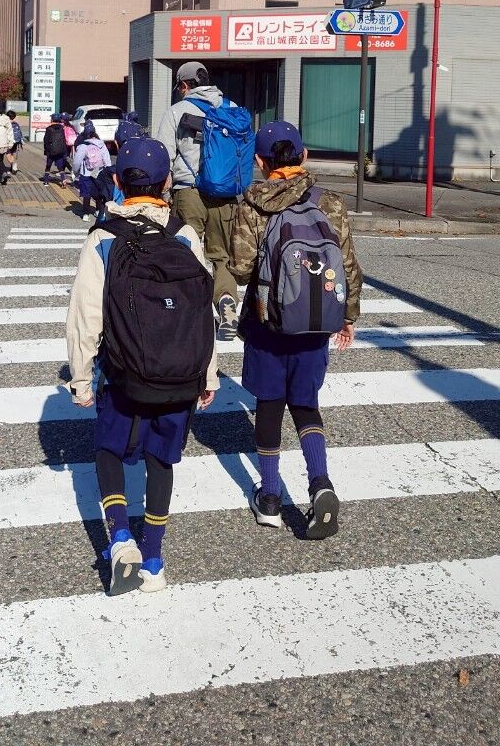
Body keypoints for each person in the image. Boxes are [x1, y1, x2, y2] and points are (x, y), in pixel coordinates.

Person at [66, 136, 218, 595]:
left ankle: (120, 539)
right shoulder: (185, 236)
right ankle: (153, 558)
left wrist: (81, 378)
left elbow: (85, 317)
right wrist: (207, 375)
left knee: (109, 451)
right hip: (180, 375)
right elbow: (203, 313)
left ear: (117, 181)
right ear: (167, 182)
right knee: (161, 460)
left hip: (124, 374)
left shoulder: (103, 238)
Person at [230, 121, 362, 539]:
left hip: (267, 324)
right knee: (306, 404)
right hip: (315, 323)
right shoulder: (330, 202)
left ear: (260, 161)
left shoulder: (252, 204)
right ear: (303, 156)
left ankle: (269, 498)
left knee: (269, 405)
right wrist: (348, 316)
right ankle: (320, 484)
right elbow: (348, 265)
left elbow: (241, 268)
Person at [156, 60, 242, 340]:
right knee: (222, 255)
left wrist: (163, 195)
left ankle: (190, 312)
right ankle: (227, 302)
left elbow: (163, 157)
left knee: (186, 254)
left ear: (184, 85)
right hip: (225, 195)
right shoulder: (231, 108)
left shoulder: (177, 111)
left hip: (189, 192)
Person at [72, 122, 111, 220]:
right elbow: (107, 160)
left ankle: (85, 214)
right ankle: (98, 211)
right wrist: (108, 172)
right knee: (98, 191)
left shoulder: (83, 146)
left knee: (86, 193)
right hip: (98, 171)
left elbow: (77, 162)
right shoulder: (101, 144)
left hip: (86, 172)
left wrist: (76, 172)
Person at [43, 113, 70, 186]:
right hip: (60, 150)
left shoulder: (49, 129)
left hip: (51, 150)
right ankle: (63, 180)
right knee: (60, 167)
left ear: (52, 119)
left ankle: (46, 181)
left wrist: (46, 150)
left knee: (48, 166)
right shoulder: (62, 128)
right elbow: (64, 140)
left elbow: (46, 140)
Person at [6, 110, 24, 174]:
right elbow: (20, 132)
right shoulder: (16, 124)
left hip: (9, 141)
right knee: (12, 153)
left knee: (8, 154)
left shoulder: (7, 124)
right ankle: (12, 168)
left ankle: (13, 164)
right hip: (16, 141)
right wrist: (21, 140)